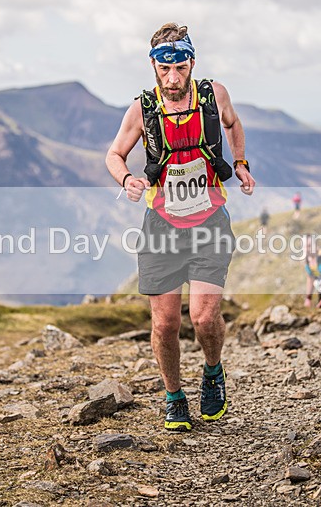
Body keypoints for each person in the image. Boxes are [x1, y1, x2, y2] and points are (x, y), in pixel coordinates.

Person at [105, 23, 256, 431]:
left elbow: (233, 123)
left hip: (209, 222)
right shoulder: (142, 108)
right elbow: (115, 154)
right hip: (162, 226)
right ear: (153, 66)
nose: (173, 79)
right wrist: (126, 179)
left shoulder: (213, 94)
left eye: (181, 68)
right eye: (164, 69)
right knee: (165, 324)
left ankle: (212, 372)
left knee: (205, 318)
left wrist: (240, 164)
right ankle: (174, 395)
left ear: (192, 63)